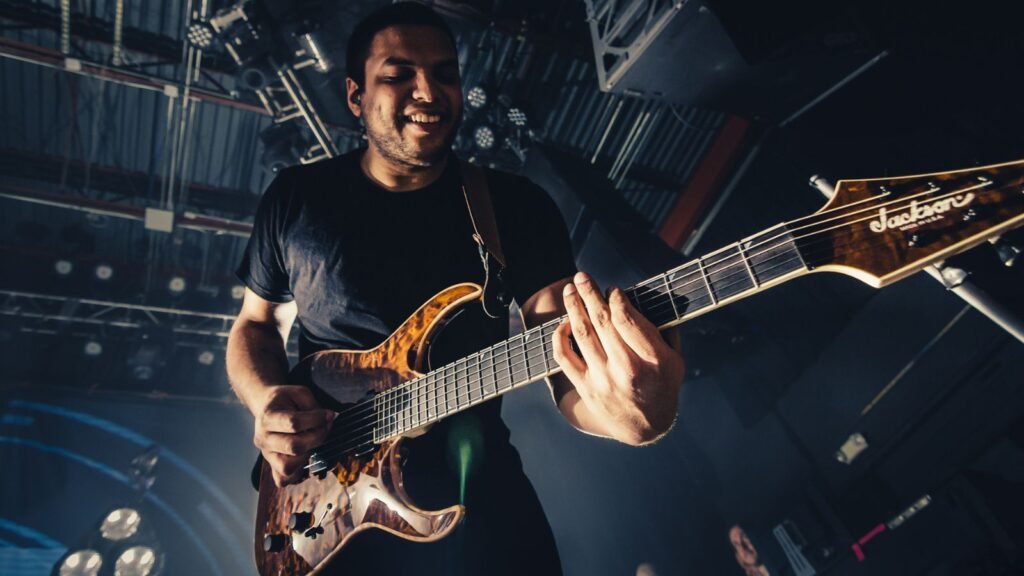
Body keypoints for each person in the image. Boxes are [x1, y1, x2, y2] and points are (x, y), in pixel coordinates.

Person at [226, 3, 684, 574]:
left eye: (445, 73)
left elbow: (564, 356)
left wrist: (630, 418)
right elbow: (256, 325)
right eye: (399, 75)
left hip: (480, 503)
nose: (428, 91)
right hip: (324, 503)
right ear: (355, 96)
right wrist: (265, 398)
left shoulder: (515, 206)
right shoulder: (296, 197)